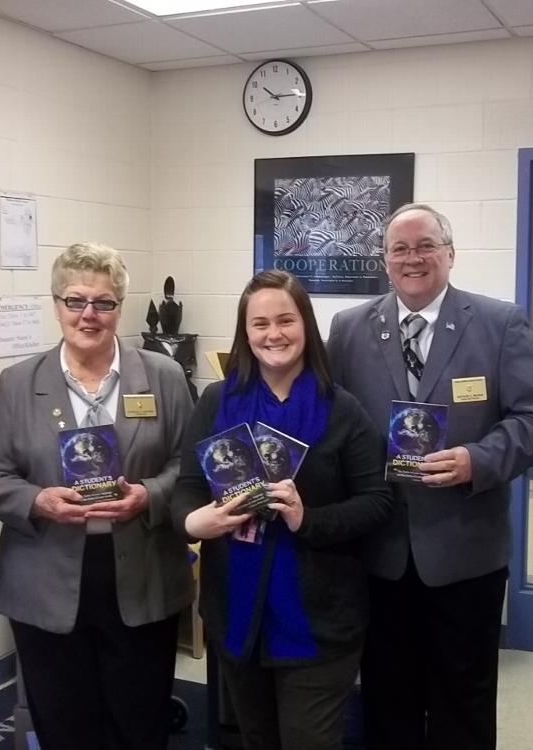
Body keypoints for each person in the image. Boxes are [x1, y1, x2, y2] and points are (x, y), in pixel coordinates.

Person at [326, 203, 533, 750]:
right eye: (399, 249)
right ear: (385, 261)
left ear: (450, 253)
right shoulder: (349, 328)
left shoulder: (500, 323)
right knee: (387, 695)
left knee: (464, 699)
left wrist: (477, 459)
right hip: (379, 552)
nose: (413, 258)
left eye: (426, 245)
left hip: (465, 552)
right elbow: (330, 421)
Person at [0, 242, 194, 750]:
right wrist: (37, 501)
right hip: (47, 576)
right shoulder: (18, 382)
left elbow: (190, 465)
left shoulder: (162, 376)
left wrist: (147, 495)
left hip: (142, 574)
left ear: (119, 307)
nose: (89, 314)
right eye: (75, 300)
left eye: (104, 302)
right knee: (64, 724)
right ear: (56, 304)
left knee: (139, 722)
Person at [172, 269, 392, 750]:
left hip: (319, 623)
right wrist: (196, 522)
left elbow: (378, 501)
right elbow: (186, 489)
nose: (274, 334)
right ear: (245, 333)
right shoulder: (217, 402)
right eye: (260, 324)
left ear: (307, 326)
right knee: (256, 740)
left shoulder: (341, 409)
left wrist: (306, 519)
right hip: (238, 618)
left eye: (286, 320)